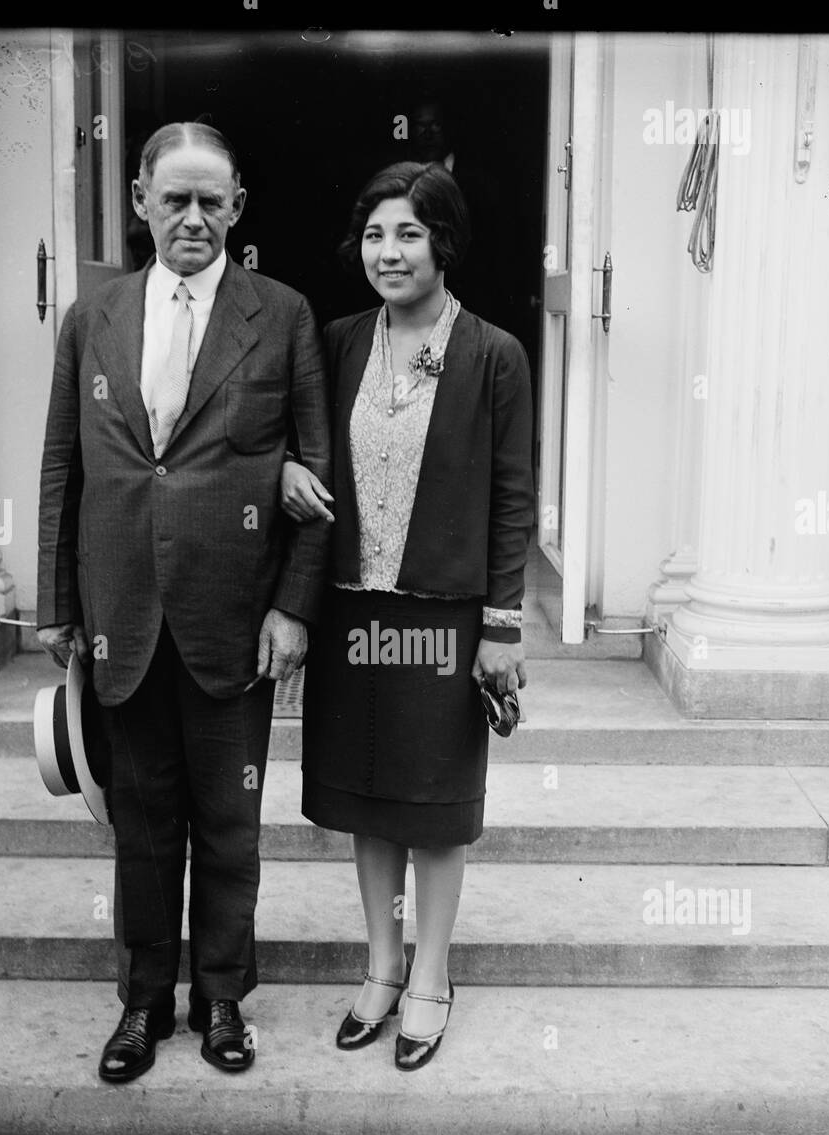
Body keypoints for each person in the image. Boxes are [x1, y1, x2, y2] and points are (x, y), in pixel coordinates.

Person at [36, 122, 331, 1084]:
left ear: (237, 208)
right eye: (176, 200)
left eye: (213, 201)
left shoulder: (280, 314)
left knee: (229, 823)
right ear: (140, 202)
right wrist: (56, 604)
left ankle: (222, 1000)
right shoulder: (94, 317)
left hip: (232, 621)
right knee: (143, 821)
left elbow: (317, 473)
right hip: (120, 612)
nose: (194, 218)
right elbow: (62, 465)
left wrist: (292, 608)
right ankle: (141, 1004)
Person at [281, 161, 534, 1071]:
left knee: (432, 804)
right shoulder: (340, 339)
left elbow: (512, 496)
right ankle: (381, 965)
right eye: (376, 234)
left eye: (409, 234)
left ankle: (432, 973)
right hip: (351, 613)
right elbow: (296, 442)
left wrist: (500, 627)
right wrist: (281, 471)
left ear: (444, 243)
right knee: (367, 799)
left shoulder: (493, 353)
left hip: (443, 619)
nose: (388, 252)